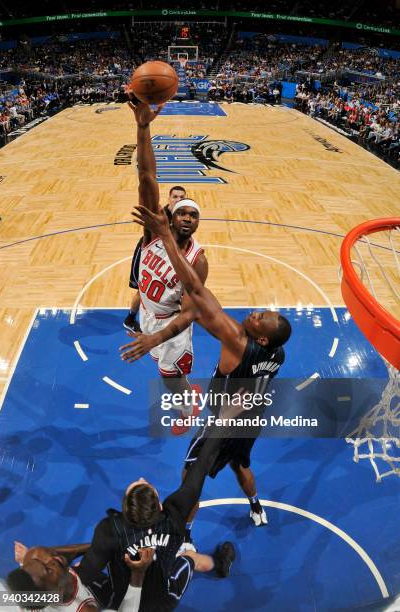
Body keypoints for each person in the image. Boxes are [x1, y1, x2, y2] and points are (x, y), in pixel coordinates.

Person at [131, 204, 291, 532]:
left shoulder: (236, 340)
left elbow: (196, 289)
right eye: (263, 311)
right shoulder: (278, 354)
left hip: (222, 423)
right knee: (241, 464)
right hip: (252, 421)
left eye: (262, 318)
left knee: (191, 476)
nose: (257, 312)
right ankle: (255, 505)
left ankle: (185, 536)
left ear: (261, 339)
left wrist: (164, 236)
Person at [75, 422, 236, 612]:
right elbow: (200, 466)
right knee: (189, 557)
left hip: (120, 602)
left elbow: (81, 575)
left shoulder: (110, 530)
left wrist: (36, 589)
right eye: (142, 484)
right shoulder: (174, 514)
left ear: (124, 510)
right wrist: (223, 421)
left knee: (78, 569)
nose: (141, 478)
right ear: (159, 505)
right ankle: (219, 564)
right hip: (161, 602)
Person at [119, 97, 209, 434]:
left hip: (170, 326)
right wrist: (143, 128)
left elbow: (190, 313)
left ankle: (189, 404)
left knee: (169, 375)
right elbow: (147, 176)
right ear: (170, 215)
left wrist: (153, 339)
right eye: (182, 211)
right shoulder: (152, 231)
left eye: (193, 214)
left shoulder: (198, 260)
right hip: (147, 312)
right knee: (161, 366)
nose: (187, 216)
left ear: (197, 223)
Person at [6, 543, 154, 612]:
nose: (51, 561)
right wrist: (138, 573)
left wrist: (109, 544)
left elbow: (68, 553)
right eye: (48, 570)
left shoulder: (35, 558)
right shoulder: (84, 610)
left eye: (37, 562)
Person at [123, 185, 187, 334]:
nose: (178, 200)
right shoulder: (161, 214)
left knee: (176, 289)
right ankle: (130, 319)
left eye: (181, 197)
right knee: (142, 290)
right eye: (175, 197)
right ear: (169, 199)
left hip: (166, 256)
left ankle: (170, 320)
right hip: (148, 253)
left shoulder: (184, 216)